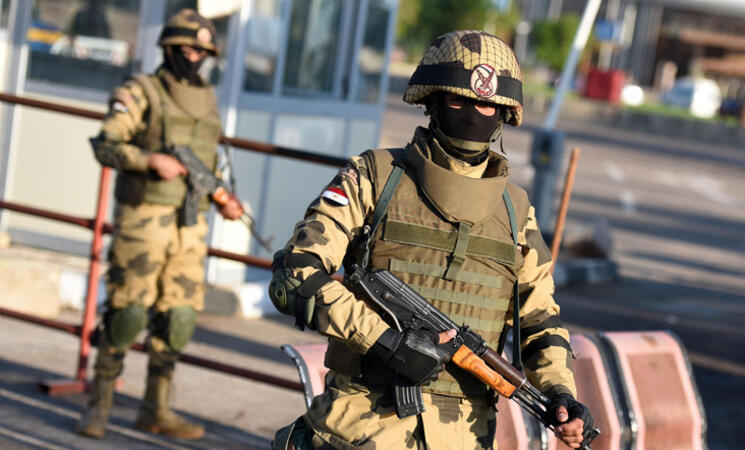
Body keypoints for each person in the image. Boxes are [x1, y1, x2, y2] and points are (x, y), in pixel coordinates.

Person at [268, 30, 594, 449]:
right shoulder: (374, 177)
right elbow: (296, 274)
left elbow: (540, 322)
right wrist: (385, 341)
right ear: (431, 101)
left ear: (503, 114)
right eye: (458, 100)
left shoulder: (516, 211)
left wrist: (562, 393)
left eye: (486, 105)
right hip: (362, 426)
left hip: (466, 434)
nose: (473, 115)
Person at [76, 8, 242, 440]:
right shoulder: (140, 90)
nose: (195, 57)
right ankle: (98, 406)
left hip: (190, 225)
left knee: (179, 318)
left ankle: (155, 409)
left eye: (202, 52)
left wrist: (223, 198)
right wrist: (149, 160)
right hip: (144, 220)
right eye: (187, 49)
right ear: (169, 48)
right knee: (128, 313)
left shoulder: (207, 98)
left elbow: (206, 163)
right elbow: (105, 144)